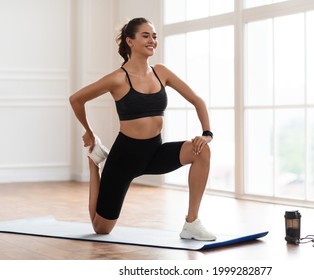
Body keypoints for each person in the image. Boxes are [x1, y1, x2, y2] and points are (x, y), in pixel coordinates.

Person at [69, 17, 216, 241]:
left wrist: (206, 134)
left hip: (154, 152)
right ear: (130, 41)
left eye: (154, 36)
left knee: (202, 151)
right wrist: (89, 132)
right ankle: (94, 164)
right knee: (101, 229)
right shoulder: (118, 78)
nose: (152, 40)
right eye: (146, 35)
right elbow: (76, 99)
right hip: (124, 158)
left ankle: (191, 222)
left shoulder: (161, 72)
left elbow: (197, 100)